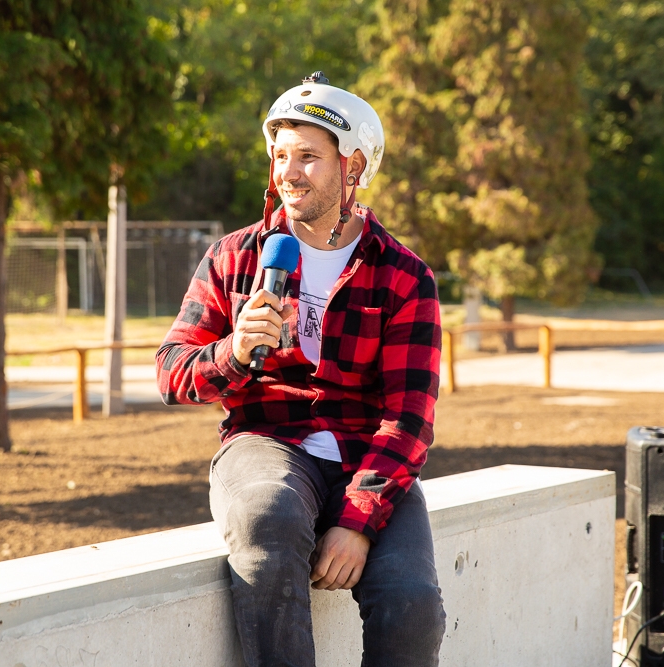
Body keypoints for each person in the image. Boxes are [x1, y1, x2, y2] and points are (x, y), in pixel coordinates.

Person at [156, 72, 446, 667]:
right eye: (281, 155)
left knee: (413, 603)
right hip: (266, 441)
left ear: (354, 166)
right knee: (268, 518)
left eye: (308, 157)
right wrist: (234, 353)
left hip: (366, 455)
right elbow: (170, 372)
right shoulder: (235, 257)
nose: (288, 172)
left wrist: (358, 522)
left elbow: (409, 419)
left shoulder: (405, 276)